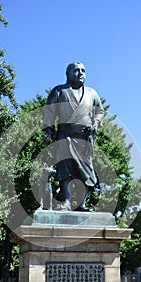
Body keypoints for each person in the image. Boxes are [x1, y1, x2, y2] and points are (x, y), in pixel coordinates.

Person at [43, 61, 104, 211]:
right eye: (76, 70)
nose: (81, 73)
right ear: (68, 73)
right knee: (65, 169)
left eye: (83, 70)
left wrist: (95, 124)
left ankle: (81, 204)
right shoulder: (59, 91)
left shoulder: (92, 93)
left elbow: (100, 112)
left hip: (84, 136)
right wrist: (48, 131)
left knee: (86, 171)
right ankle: (67, 201)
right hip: (65, 134)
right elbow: (50, 112)